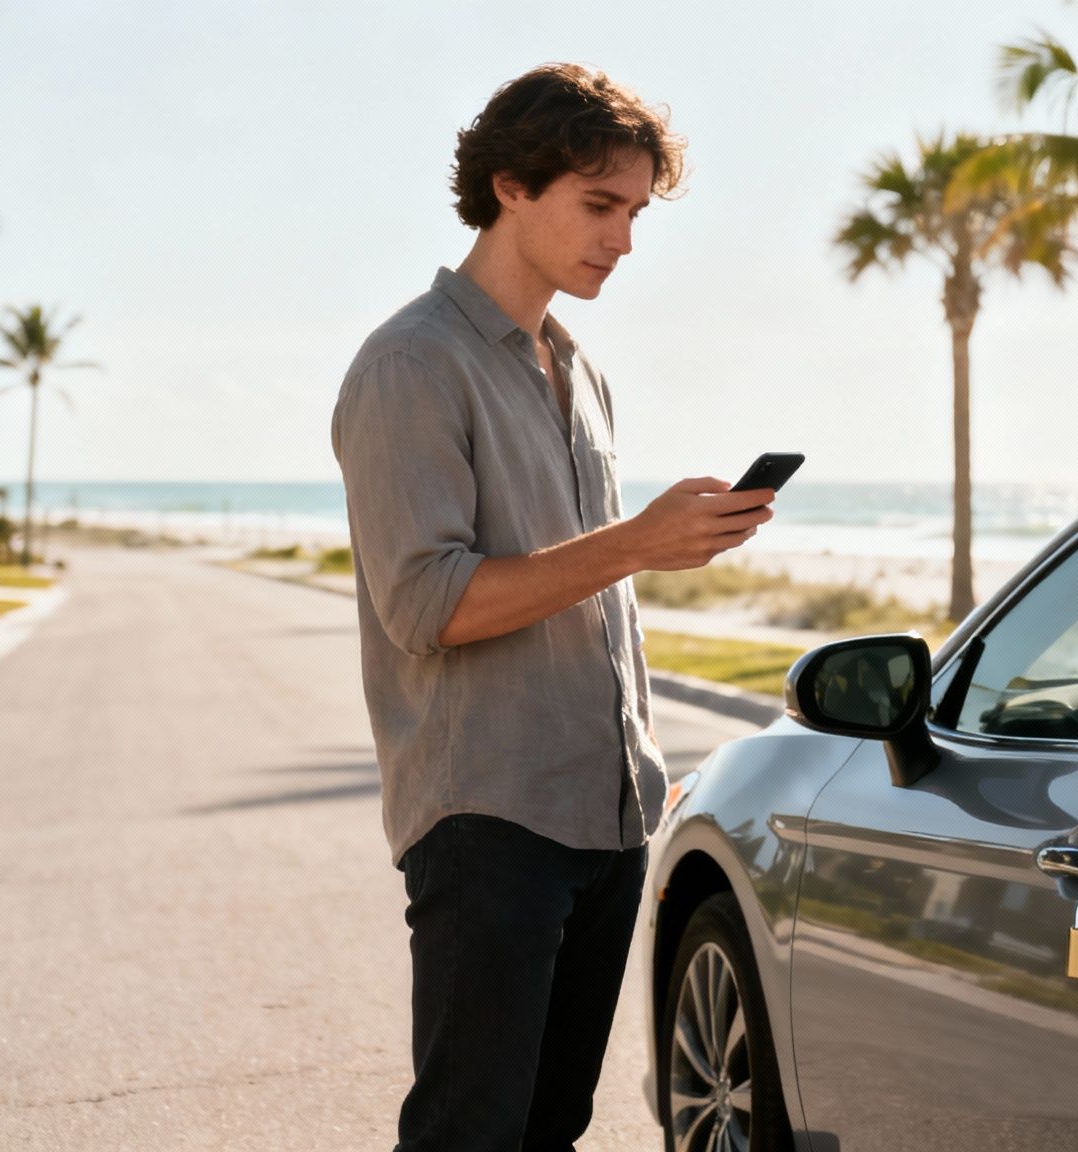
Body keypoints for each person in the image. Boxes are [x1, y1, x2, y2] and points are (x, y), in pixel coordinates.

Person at [330, 64, 777, 1152]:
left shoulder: (576, 371)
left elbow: (584, 588)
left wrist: (638, 734)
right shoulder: (410, 366)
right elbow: (427, 604)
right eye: (598, 205)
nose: (621, 240)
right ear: (509, 187)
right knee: (468, 1131)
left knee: (549, 1128)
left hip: (607, 815)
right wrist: (636, 543)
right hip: (487, 819)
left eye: (631, 212)